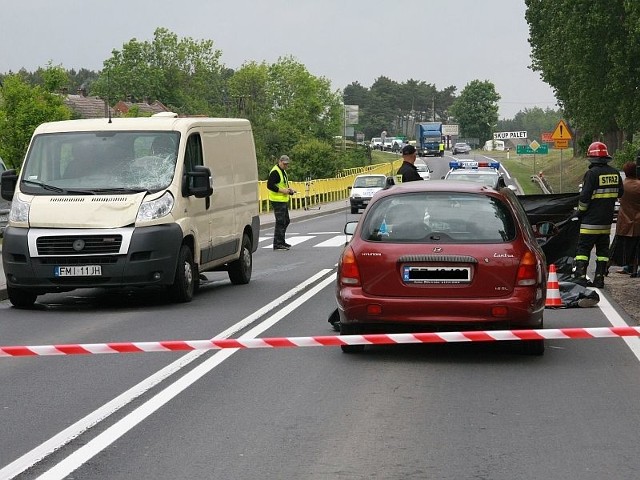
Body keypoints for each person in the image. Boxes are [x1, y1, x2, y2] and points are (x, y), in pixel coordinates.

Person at [573, 141, 624, 288]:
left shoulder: (591, 173)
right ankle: (600, 278)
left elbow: (585, 197)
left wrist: (580, 211)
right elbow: (620, 193)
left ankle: (581, 277)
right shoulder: (615, 173)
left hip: (590, 221)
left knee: (583, 249)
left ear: (591, 158)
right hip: (606, 222)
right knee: (602, 251)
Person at [609, 161, 640, 276]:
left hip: (624, 221)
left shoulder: (622, 185)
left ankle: (625, 266)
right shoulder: (639, 185)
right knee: (637, 247)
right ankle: (634, 268)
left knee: (621, 246)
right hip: (638, 222)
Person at [267, 155, 296, 250]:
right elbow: (270, 185)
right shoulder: (275, 171)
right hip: (277, 200)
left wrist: (289, 190)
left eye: (287, 164)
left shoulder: (282, 171)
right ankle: (278, 244)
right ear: (280, 161)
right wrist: (283, 191)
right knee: (280, 222)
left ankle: (281, 241)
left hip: (282, 200)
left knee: (286, 221)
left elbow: (282, 184)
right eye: (284, 164)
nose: (286, 166)